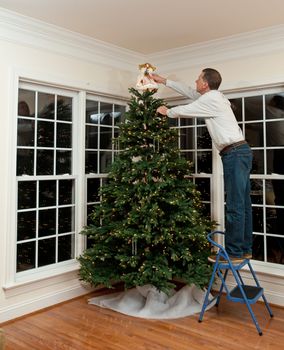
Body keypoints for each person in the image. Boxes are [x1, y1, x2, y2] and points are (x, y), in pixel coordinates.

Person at [152, 68, 253, 263]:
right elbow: (190, 92)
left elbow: (187, 110)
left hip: (235, 154)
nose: (195, 81)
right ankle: (244, 249)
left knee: (235, 205)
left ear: (205, 83)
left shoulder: (212, 99)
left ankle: (233, 252)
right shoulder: (213, 96)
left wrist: (167, 111)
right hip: (239, 152)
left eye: (198, 79)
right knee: (243, 204)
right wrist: (165, 81)